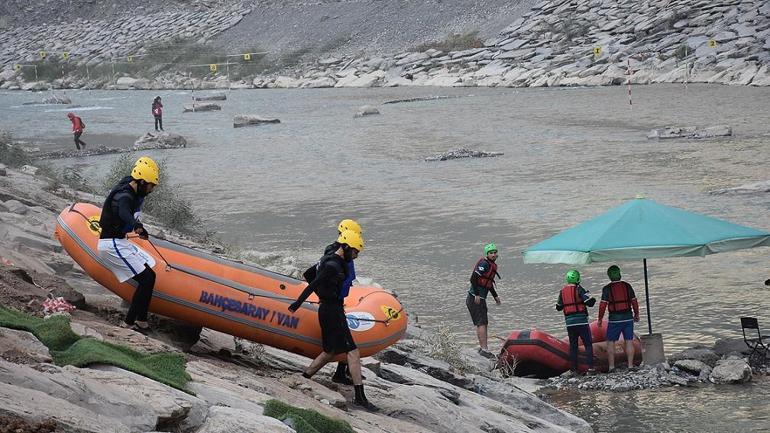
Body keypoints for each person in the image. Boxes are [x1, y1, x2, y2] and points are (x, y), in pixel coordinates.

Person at [289, 230, 377, 411]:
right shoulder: (332, 265)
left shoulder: (328, 259)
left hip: (329, 309)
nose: (356, 256)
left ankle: (304, 377)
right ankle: (360, 397)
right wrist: (297, 303)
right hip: (332, 311)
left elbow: (309, 273)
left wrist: (324, 294)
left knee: (330, 350)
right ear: (345, 247)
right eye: (354, 252)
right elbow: (312, 283)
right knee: (352, 351)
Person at [97, 156, 159, 331]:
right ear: (140, 182)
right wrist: (137, 226)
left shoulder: (131, 185)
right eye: (150, 185)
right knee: (147, 279)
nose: (151, 190)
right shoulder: (124, 196)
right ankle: (129, 323)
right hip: (111, 245)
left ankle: (141, 320)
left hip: (120, 241)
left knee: (150, 276)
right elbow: (124, 212)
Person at [597, 265, 640, 372]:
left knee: (610, 342)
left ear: (609, 276)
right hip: (628, 318)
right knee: (629, 341)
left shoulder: (607, 289)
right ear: (619, 274)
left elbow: (602, 305)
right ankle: (630, 366)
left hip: (614, 319)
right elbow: (634, 301)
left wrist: (600, 319)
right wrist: (636, 314)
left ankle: (611, 367)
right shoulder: (627, 286)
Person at [556, 269, 596, 375]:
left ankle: (573, 369)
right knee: (587, 344)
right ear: (578, 279)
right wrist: (593, 299)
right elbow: (588, 303)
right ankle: (591, 368)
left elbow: (558, 307)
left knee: (573, 346)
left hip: (570, 324)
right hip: (582, 322)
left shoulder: (562, 291)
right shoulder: (579, 289)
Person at [466, 242, 502, 358]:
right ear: (487, 254)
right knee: (481, 323)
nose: (493, 254)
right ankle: (484, 350)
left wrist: (495, 296)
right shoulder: (484, 264)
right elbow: (473, 278)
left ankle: (484, 348)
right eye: (491, 253)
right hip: (475, 298)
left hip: (481, 298)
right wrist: (476, 294)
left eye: (495, 252)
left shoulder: (491, 265)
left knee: (484, 323)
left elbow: (488, 283)